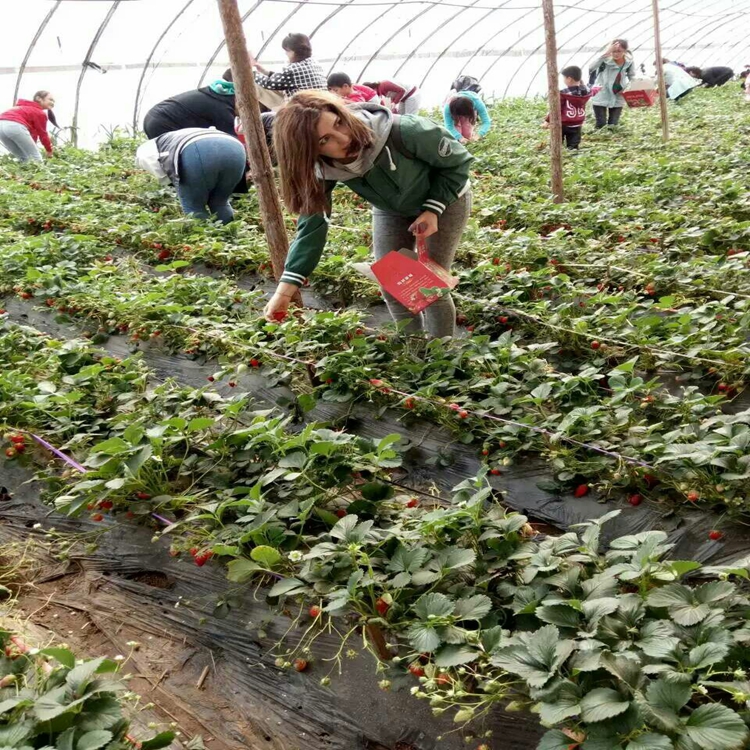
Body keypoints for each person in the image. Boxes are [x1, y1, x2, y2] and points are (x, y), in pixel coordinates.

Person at [263, 92, 473, 338]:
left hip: (446, 200)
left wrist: (433, 209)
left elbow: (457, 163)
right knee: (392, 284)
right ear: (308, 151)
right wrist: (284, 292)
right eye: (324, 141)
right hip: (391, 209)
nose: (343, 139)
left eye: (338, 123)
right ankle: (415, 347)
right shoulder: (320, 170)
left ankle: (443, 355)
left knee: (429, 286)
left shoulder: (403, 130)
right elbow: (312, 227)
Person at [136, 128, 246, 224]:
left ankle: (207, 242)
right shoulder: (168, 139)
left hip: (195, 148)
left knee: (194, 206)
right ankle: (230, 238)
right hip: (235, 148)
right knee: (220, 202)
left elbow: (162, 175)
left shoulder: (143, 152)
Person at [143, 69, 236, 139]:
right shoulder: (222, 107)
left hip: (154, 117)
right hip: (163, 122)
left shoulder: (217, 94)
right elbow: (234, 140)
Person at [250, 33, 326, 110]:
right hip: (317, 106)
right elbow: (283, 79)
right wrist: (264, 71)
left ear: (294, 51)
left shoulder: (294, 68)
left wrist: (251, 72)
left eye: (287, 51)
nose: (286, 53)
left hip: (301, 110)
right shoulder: (314, 64)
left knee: (256, 84)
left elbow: (269, 83)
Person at [588, 39, 635, 128]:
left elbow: (632, 77)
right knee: (600, 124)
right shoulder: (604, 60)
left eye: (619, 51)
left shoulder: (629, 62)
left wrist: (627, 89)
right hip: (601, 92)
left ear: (625, 51)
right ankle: (601, 138)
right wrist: (607, 53)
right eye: (613, 51)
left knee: (613, 125)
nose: (616, 54)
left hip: (618, 93)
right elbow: (591, 67)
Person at [543, 66, 591, 151]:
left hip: (563, 124)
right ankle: (573, 158)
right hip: (577, 123)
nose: (563, 80)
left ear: (569, 79)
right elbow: (594, 90)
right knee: (574, 145)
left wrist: (547, 121)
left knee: (556, 144)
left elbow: (556, 109)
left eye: (564, 78)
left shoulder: (563, 93)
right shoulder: (586, 91)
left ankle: (558, 156)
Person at [0, 91, 55, 162]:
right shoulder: (39, 113)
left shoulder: (22, 107)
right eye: (50, 99)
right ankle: (39, 172)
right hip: (15, 125)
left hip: (1, 126)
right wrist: (49, 150)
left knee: (23, 157)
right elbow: (43, 134)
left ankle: (20, 172)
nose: (52, 103)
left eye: (53, 101)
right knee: (36, 158)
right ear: (39, 98)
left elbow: (32, 133)